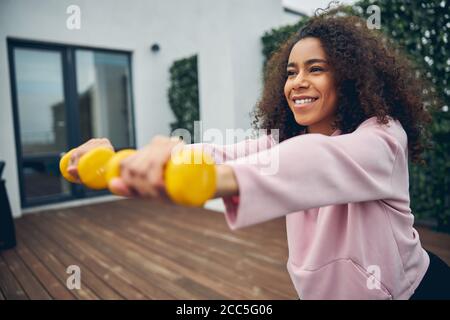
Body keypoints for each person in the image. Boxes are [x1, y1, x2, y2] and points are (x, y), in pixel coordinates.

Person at [67, 8, 450, 299]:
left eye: (315, 69)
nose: (298, 82)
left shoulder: (382, 137)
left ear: (349, 78)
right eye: (291, 72)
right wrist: (131, 161)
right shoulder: (284, 140)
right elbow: (222, 154)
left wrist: (214, 180)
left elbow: (317, 160)